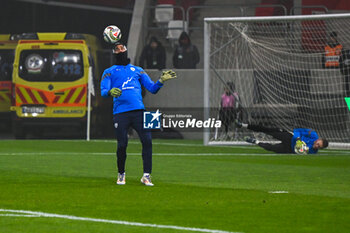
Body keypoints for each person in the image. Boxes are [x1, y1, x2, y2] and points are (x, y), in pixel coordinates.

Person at [100, 43, 176, 186]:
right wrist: (110, 92)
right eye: (117, 49)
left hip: (139, 111)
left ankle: (146, 176)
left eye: (122, 48)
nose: (120, 50)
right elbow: (103, 91)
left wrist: (160, 81)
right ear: (114, 52)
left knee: (147, 142)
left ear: (126, 50)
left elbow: (152, 89)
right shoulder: (109, 71)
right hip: (120, 113)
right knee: (122, 144)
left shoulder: (138, 70)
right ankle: (121, 174)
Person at [236, 121, 328, 154]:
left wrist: (300, 150)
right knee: (267, 130)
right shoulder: (313, 134)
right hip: (289, 137)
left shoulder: (312, 152)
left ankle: (255, 141)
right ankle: (244, 125)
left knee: (272, 148)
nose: (316, 146)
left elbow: (300, 153)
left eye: (319, 147)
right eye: (318, 144)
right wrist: (298, 139)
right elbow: (298, 130)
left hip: (289, 149)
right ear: (318, 140)